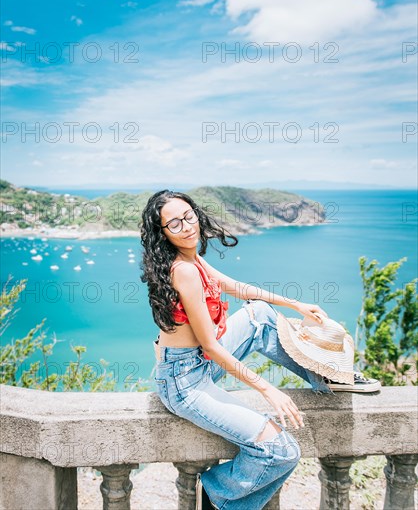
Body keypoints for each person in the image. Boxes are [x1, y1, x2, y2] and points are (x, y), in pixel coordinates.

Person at [140, 189, 380, 510]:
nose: (186, 226)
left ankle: (327, 376)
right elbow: (211, 346)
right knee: (281, 451)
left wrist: (295, 304)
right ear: (162, 233)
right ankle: (216, 494)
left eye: (189, 216)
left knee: (261, 314)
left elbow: (237, 288)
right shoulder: (182, 270)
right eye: (174, 224)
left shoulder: (192, 258)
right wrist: (269, 390)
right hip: (184, 383)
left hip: (194, 364)